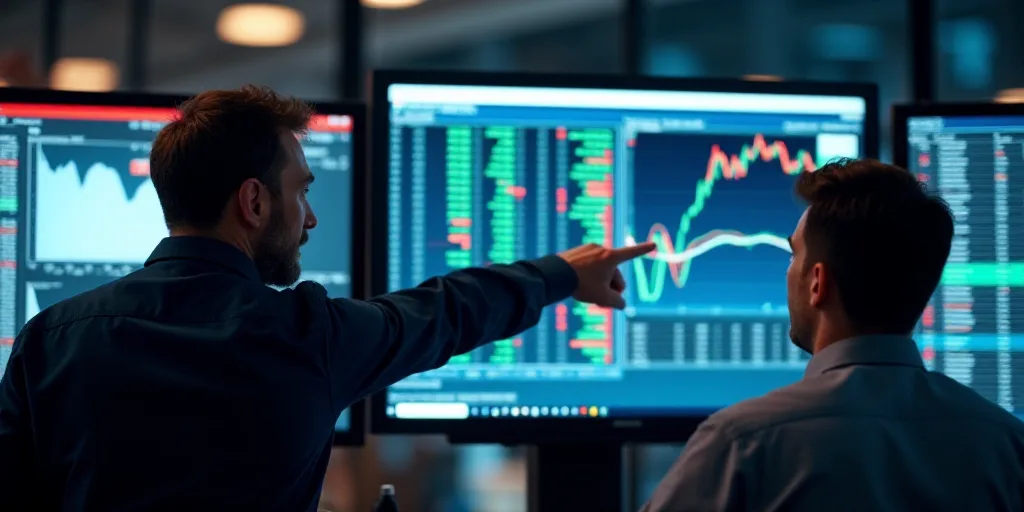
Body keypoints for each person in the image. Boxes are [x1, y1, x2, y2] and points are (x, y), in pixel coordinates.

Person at [0, 85, 655, 511]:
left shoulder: (49, 338)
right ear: (254, 201)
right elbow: (447, 309)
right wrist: (564, 272)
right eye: (302, 190)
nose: (310, 218)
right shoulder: (305, 335)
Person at [641, 158, 1024, 512]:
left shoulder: (742, 443)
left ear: (817, 283)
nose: (788, 272)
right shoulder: (1007, 444)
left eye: (793, 255)